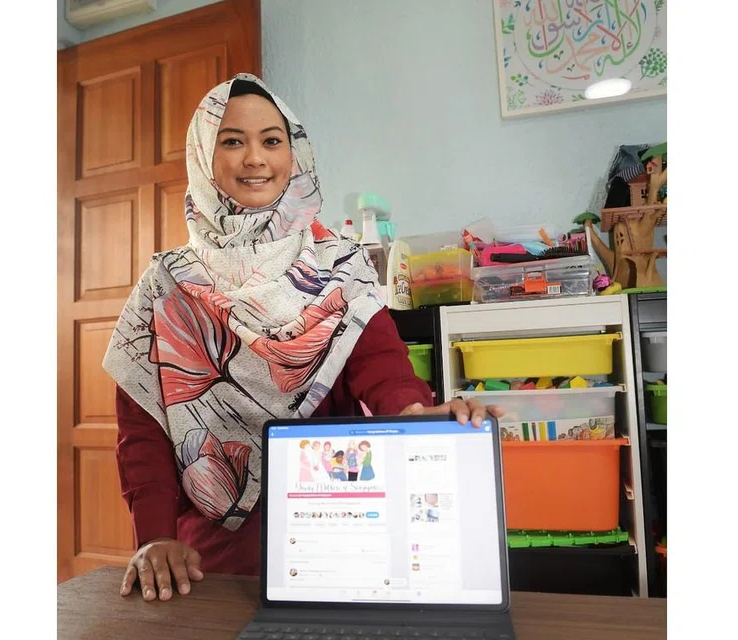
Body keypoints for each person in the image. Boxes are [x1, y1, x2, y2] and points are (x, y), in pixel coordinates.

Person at [102, 73, 501, 603]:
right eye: (232, 141)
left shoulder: (338, 264)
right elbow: (144, 428)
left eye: (272, 140)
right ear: (202, 155)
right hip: (213, 555)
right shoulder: (166, 284)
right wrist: (154, 537)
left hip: (337, 526)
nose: (255, 159)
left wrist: (412, 414)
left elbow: (381, 364)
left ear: (295, 154)